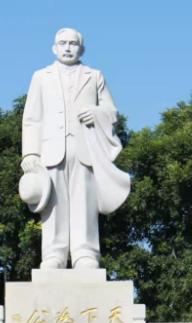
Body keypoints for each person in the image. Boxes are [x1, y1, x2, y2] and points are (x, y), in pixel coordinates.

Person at [20, 27, 130, 269]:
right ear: (54, 48)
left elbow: (112, 112)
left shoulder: (95, 76)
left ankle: (85, 254)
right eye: (63, 43)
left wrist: (97, 113)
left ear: (82, 49)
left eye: (72, 43)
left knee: (84, 203)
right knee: (53, 204)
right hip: (51, 151)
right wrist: (30, 153)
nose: (67, 48)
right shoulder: (41, 76)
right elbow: (32, 118)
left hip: (85, 149)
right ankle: (54, 255)